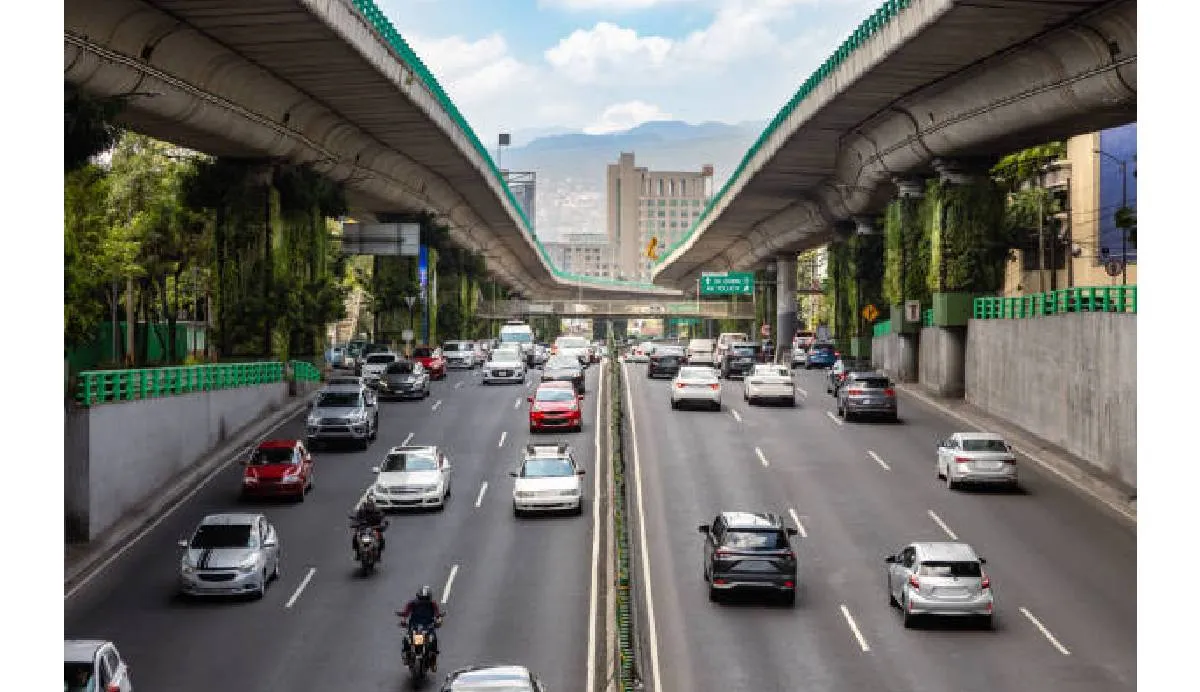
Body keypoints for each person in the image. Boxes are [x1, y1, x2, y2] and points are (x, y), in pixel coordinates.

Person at [397, 585, 444, 671]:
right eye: (422, 599)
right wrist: (403, 621)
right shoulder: (412, 603)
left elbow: (437, 614)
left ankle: (433, 661)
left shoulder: (432, 604)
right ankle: (406, 655)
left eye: (425, 599)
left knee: (433, 640)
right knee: (406, 639)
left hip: (428, 627)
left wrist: (438, 621)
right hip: (414, 626)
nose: (423, 601)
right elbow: (406, 613)